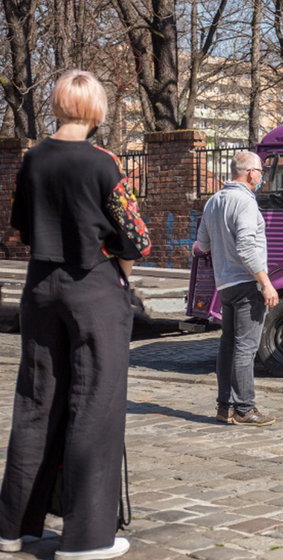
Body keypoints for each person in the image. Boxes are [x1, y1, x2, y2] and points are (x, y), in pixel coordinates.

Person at [0, 69, 151, 559]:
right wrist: (121, 269)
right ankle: (86, 537)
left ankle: (13, 527)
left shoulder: (32, 159)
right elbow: (138, 236)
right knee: (95, 404)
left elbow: (19, 230)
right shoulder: (104, 163)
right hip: (94, 290)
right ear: (96, 110)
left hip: (41, 287)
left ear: (57, 104)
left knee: (36, 402)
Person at [195, 151, 279, 426]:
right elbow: (246, 246)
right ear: (250, 172)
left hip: (225, 284)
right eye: (261, 170)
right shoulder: (244, 202)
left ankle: (225, 406)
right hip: (246, 283)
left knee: (228, 345)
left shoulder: (213, 201)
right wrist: (265, 282)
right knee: (245, 348)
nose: (262, 175)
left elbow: (201, 246)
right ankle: (245, 408)